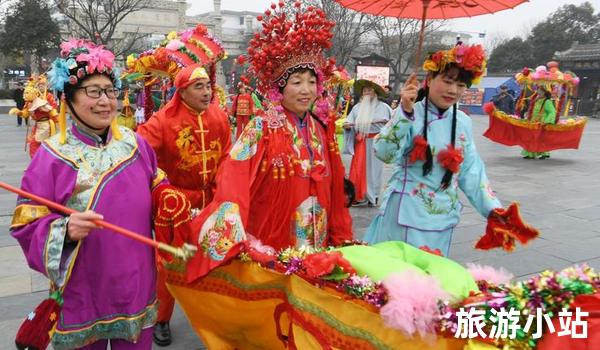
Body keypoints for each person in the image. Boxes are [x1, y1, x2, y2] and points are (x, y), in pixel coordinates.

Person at [11, 39, 165, 349]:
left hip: (135, 283)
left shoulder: (136, 145)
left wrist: (172, 199)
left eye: (110, 91)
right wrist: (64, 230)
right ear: (67, 99)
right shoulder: (51, 156)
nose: (105, 101)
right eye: (93, 92)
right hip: (82, 290)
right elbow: (26, 222)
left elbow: (158, 186)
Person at [183, 4, 353, 283]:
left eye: (312, 82)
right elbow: (234, 174)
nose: (306, 89)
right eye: (297, 82)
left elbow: (334, 184)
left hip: (317, 226)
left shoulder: (321, 128)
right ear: (280, 88)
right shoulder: (261, 127)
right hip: (276, 228)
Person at [364, 44, 509, 257]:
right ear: (430, 79)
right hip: (404, 216)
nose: (453, 90)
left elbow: (471, 172)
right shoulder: (410, 113)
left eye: (460, 85)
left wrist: (494, 211)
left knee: (431, 281)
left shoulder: (463, 122)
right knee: (397, 281)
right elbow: (383, 152)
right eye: (447, 81)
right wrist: (403, 112)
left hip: (442, 219)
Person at [137, 65, 231, 346]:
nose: (206, 92)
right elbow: (139, 151)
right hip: (175, 204)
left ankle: (214, 314)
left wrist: (224, 188)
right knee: (169, 262)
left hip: (210, 199)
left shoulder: (219, 116)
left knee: (215, 257)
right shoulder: (163, 120)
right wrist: (161, 187)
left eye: (207, 86)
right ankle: (162, 318)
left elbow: (227, 154)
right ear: (182, 91)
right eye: (198, 87)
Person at [343, 80, 393, 206]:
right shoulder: (357, 108)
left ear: (375, 93)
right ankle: (358, 196)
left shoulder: (385, 108)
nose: (367, 93)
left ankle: (374, 195)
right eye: (365, 91)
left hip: (377, 143)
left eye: (369, 91)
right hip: (361, 143)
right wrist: (348, 126)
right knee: (358, 169)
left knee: (375, 171)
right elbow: (348, 122)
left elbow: (392, 125)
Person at [522, 87, 556, 159]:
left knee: (540, 139)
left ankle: (544, 153)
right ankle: (530, 154)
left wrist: (547, 121)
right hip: (533, 122)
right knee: (531, 138)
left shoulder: (547, 101)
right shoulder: (537, 100)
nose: (539, 93)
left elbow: (552, 112)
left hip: (542, 123)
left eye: (541, 92)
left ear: (544, 93)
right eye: (538, 91)